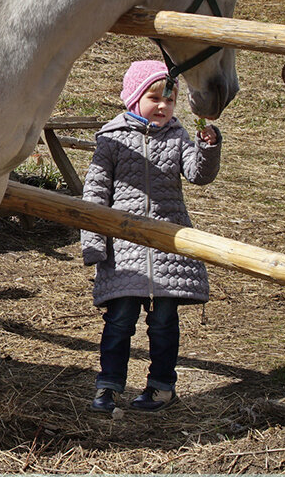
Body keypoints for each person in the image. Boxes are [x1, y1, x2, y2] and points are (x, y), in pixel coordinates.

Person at [81, 59, 221, 413]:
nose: (162, 106)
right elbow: (95, 194)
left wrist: (208, 148)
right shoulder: (112, 140)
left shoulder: (177, 136)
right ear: (133, 98)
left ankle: (161, 387)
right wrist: (95, 243)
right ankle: (109, 386)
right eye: (154, 97)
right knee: (119, 321)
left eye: (169, 101)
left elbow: (198, 174)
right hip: (124, 249)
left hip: (168, 246)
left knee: (163, 323)